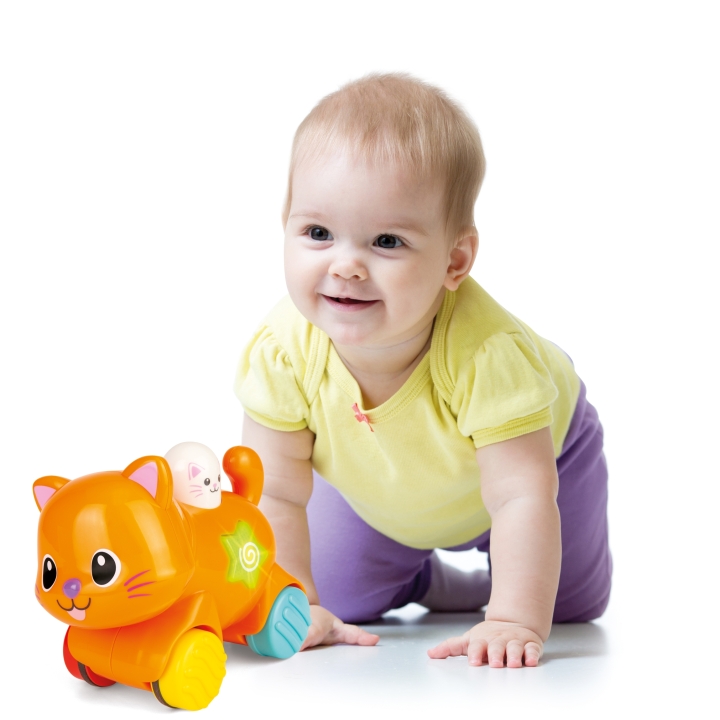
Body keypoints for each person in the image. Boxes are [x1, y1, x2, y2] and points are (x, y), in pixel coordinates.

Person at [235, 73, 611, 668]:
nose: (346, 266)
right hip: (384, 484)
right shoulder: (283, 351)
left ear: (454, 260)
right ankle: (427, 580)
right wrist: (296, 601)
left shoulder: (486, 355)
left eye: (387, 241)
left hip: (537, 465)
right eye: (318, 233)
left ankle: (499, 585)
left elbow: (522, 495)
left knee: (566, 606)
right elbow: (275, 491)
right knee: (340, 598)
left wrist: (512, 619)